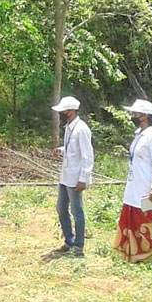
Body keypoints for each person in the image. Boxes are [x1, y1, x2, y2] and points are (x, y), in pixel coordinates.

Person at [114, 99, 152, 263]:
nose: (133, 116)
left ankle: (148, 253)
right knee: (131, 215)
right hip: (134, 183)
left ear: (145, 116)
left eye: (136, 114)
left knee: (146, 218)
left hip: (146, 185)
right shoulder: (138, 136)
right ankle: (131, 251)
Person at [51, 96, 94, 257]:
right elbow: (72, 148)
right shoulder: (69, 127)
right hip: (65, 176)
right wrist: (62, 150)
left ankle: (79, 246)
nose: (61, 114)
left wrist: (83, 178)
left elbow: (87, 156)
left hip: (75, 177)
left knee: (77, 211)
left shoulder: (82, 129)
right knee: (61, 208)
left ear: (71, 111)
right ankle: (69, 240)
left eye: (63, 111)